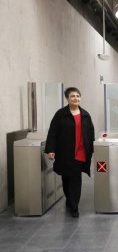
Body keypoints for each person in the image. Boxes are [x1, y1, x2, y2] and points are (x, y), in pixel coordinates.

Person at [45, 87, 95, 218]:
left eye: (78, 96)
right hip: (65, 153)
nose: (76, 98)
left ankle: (74, 207)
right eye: (73, 96)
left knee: (75, 179)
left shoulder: (85, 114)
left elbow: (91, 132)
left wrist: (91, 148)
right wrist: (51, 149)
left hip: (80, 153)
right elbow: (53, 132)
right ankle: (69, 198)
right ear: (67, 98)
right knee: (66, 178)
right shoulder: (61, 114)